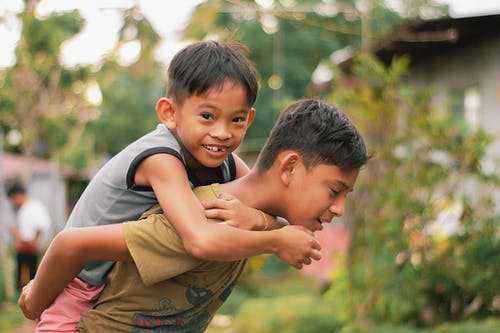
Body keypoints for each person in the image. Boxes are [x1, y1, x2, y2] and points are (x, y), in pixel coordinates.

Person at [30, 40, 320, 332]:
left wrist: (258, 219)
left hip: (114, 285)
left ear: (249, 120)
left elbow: (261, 193)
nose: (221, 133)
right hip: (78, 282)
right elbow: (199, 239)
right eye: (207, 116)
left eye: (236, 120)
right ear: (170, 113)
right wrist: (276, 239)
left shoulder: (227, 162)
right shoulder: (160, 158)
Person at [19, 99, 369, 332]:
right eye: (334, 191)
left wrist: (266, 224)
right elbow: (72, 244)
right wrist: (34, 302)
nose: (338, 208)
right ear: (290, 167)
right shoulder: (206, 215)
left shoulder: (244, 215)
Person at [7, 181, 51, 291]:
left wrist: (34, 240)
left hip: (31, 247)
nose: (13, 202)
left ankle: (31, 293)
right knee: (20, 272)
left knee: (32, 273)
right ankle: (21, 292)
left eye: (13, 198)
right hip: (22, 247)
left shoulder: (34, 206)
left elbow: (43, 224)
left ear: (18, 195)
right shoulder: (22, 209)